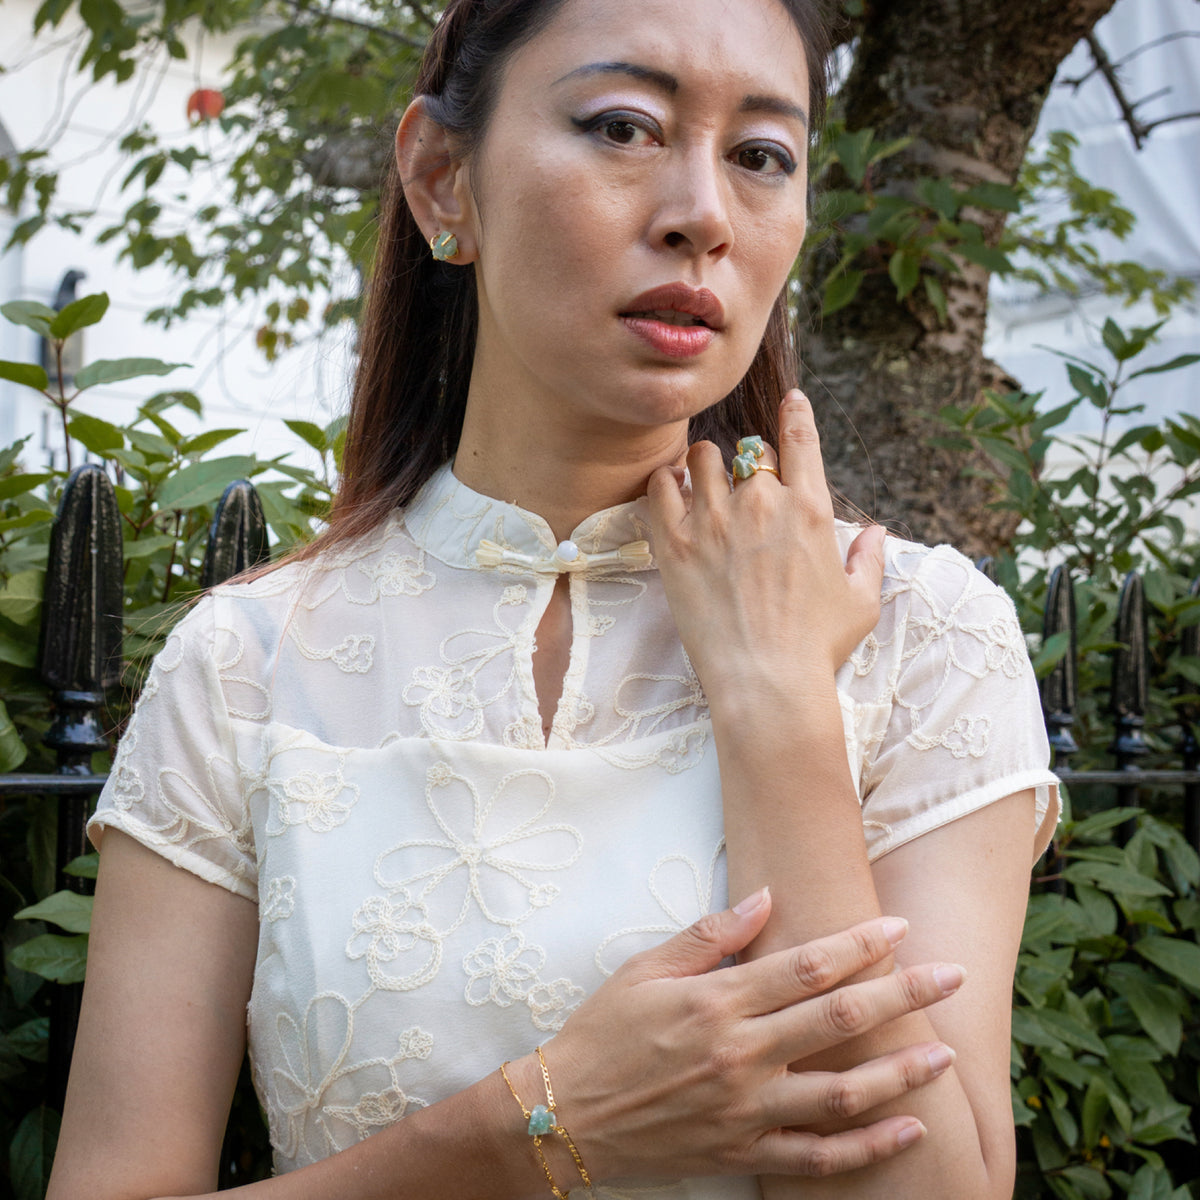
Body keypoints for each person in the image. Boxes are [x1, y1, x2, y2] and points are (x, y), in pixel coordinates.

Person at [47, 0, 1059, 1196]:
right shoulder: (248, 664)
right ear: (443, 178)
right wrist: (539, 1125)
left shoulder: (922, 635)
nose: (702, 214)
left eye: (761, 155)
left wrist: (780, 704)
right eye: (623, 127)